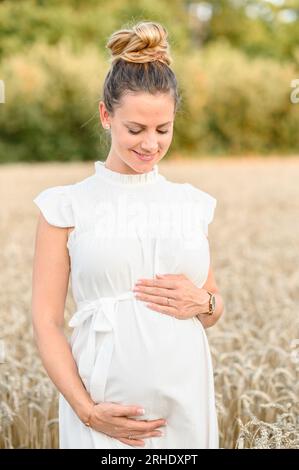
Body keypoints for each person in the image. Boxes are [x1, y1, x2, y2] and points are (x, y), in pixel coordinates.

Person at [31, 20, 224, 449]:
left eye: (163, 129)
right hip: (103, 410)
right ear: (106, 115)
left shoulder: (191, 204)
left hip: (186, 403)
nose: (150, 144)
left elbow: (210, 307)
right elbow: (45, 321)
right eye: (135, 129)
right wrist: (88, 411)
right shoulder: (65, 207)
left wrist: (206, 301)